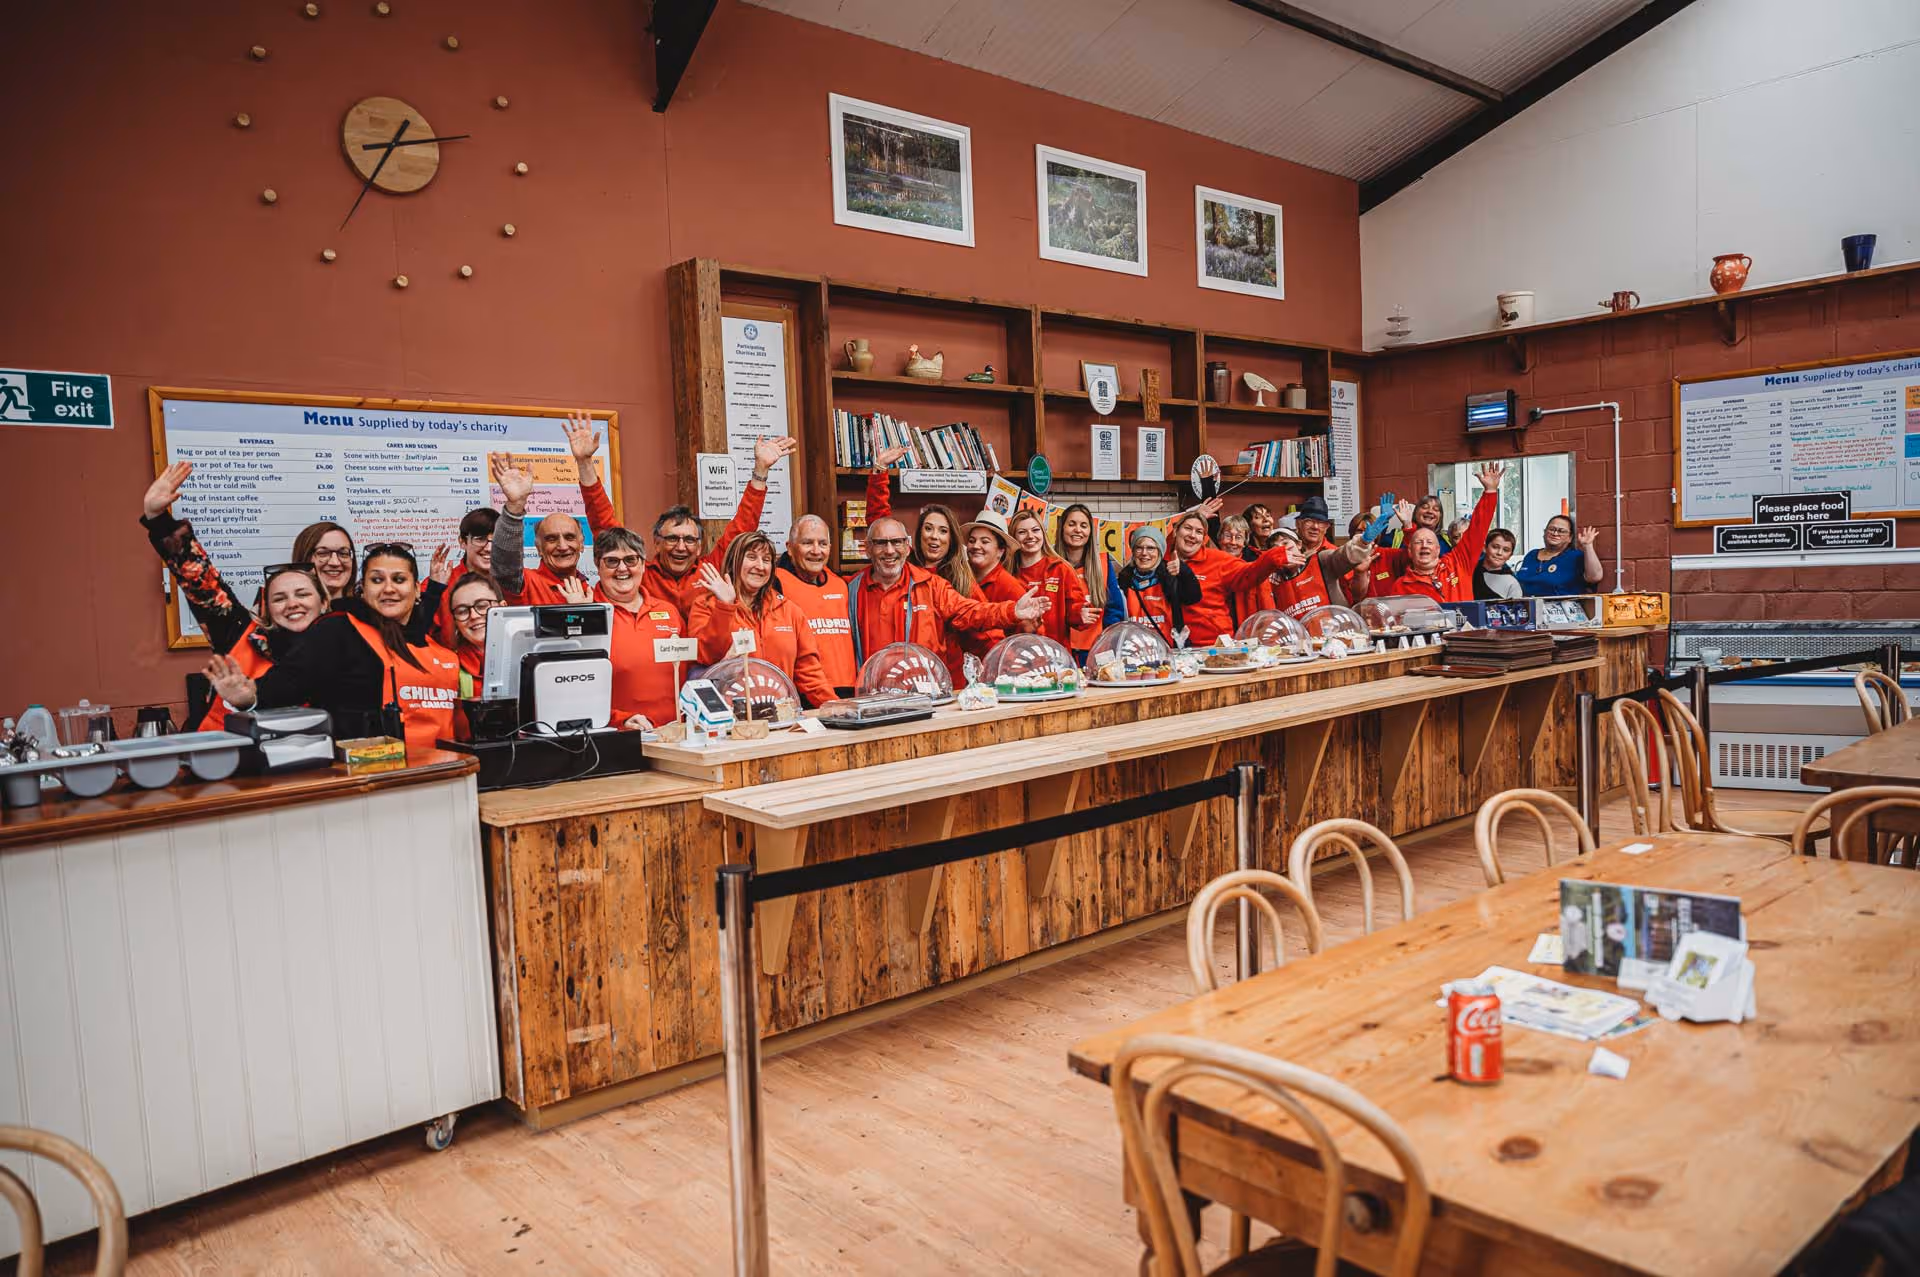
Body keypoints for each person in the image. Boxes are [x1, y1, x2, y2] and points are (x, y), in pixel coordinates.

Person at [204, 544, 461, 756]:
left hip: (443, 777)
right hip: (366, 781)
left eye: (399, 579)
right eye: (377, 580)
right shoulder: (339, 630)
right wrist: (248, 697)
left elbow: (413, 630)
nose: (389, 588)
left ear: (416, 589)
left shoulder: (439, 652)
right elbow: (289, 682)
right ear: (363, 589)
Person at [142, 460, 328, 729]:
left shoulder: (342, 643)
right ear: (267, 608)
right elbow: (200, 579)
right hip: (226, 761)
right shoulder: (241, 632)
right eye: (279, 598)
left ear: (324, 603)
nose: (292, 603)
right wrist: (157, 519)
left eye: (302, 594)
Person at [845, 516, 1046, 667]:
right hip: (870, 696)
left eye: (896, 542)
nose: (889, 550)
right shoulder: (850, 589)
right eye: (881, 543)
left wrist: (1012, 612)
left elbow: (971, 612)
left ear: (907, 547)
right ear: (867, 548)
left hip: (925, 695)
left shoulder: (932, 585)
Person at [646, 435, 795, 617]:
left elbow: (743, 526)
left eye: (690, 540)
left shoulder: (711, 568)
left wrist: (761, 470)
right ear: (656, 542)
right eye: (672, 538)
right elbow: (608, 533)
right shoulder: (640, 575)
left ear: (699, 546)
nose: (681, 547)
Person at [487, 411, 624, 606]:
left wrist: (584, 463)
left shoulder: (598, 590)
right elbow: (505, 564)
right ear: (538, 548)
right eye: (551, 539)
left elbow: (610, 536)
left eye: (569, 537)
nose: (562, 546)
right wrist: (515, 505)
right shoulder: (526, 585)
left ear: (581, 542)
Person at [688, 532, 836, 709]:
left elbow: (810, 674)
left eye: (766, 560)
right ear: (734, 561)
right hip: (729, 721)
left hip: (782, 715)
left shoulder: (789, 610)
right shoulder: (706, 605)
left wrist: (836, 707)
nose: (760, 566)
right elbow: (707, 656)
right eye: (751, 557)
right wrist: (725, 606)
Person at [1168, 502, 1304, 646]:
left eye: (1199, 532)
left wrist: (1273, 557)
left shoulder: (1218, 559)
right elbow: (1149, 540)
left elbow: (1249, 573)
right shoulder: (1160, 557)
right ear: (1176, 531)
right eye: (1188, 529)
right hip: (1170, 644)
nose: (1192, 535)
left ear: (1204, 538)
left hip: (1213, 645)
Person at [1387, 463, 1506, 601]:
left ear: (1438, 549)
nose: (1424, 545)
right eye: (1419, 542)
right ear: (1410, 552)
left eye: (1430, 542)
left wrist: (1490, 492)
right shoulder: (1400, 586)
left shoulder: (1458, 563)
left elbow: (1477, 529)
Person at [774, 513, 859, 692]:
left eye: (822, 543)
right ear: (789, 548)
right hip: (802, 694)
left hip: (848, 691)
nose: (816, 550)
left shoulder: (841, 585)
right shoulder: (775, 584)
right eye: (807, 543)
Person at [1266, 494, 1375, 615]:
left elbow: (1357, 596)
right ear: (1298, 524)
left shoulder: (1328, 556)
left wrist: (1362, 545)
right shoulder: (1281, 562)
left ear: (1327, 527)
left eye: (1321, 522)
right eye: (1309, 521)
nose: (1315, 527)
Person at [1104, 526, 1200, 647]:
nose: (1144, 553)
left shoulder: (1170, 577)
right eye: (1139, 548)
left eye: (1151, 548)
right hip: (1132, 652)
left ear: (1159, 552)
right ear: (1133, 551)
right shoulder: (1122, 581)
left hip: (1168, 651)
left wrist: (1184, 571)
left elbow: (1193, 597)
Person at [1009, 508, 1090, 650]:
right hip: (1018, 657)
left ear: (1043, 533)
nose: (1030, 536)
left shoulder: (1061, 568)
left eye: (1035, 530)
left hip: (1057, 656)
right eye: (1022, 532)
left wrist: (1079, 614)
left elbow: (1074, 608)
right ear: (1013, 538)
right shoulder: (1007, 574)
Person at [432, 507, 498, 646]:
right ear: (462, 542)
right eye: (480, 539)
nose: (489, 548)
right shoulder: (439, 584)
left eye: (497, 540)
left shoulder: (516, 582)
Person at [1053, 503, 1109, 658]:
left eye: (1084, 525)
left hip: (1096, 651)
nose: (1078, 530)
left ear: (1090, 532)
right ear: (1062, 529)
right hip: (1059, 650)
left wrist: (1107, 646)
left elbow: (1114, 611)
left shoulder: (1103, 563)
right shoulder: (1050, 564)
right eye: (1072, 524)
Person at [443, 572, 501, 697]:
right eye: (462, 611)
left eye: (482, 605)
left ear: (503, 607)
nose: (474, 616)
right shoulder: (447, 667)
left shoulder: (530, 661)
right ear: (456, 622)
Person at [1515, 516, 1604, 596]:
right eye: (1552, 529)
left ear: (1570, 538)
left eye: (1562, 531)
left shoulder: (1575, 556)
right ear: (1544, 532)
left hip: (1559, 612)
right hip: (1527, 609)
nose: (1555, 533)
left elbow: (1595, 577)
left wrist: (1587, 546)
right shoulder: (1531, 555)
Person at [291, 520, 358, 601]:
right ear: (303, 558)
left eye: (343, 553)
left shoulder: (367, 612)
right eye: (323, 553)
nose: (335, 562)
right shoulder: (291, 610)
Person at [1474, 528, 1524, 600]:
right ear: (1485, 548)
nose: (1499, 553)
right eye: (1495, 547)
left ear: (1510, 556)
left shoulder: (1512, 583)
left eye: (1505, 550)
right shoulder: (1470, 573)